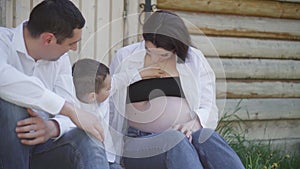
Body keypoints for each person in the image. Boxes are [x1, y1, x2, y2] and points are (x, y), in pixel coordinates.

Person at [109, 10, 245, 169]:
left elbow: (209, 107)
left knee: (207, 137)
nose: (155, 60)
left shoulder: (194, 59)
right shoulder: (125, 57)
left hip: (186, 136)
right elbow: (110, 105)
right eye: (148, 51)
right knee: (175, 140)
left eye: (163, 55)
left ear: (176, 49)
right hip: (138, 143)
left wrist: (194, 123)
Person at [0, 0, 108, 168]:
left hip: (42, 150)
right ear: (48, 39)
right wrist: (69, 110)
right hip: (5, 148)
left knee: (88, 140)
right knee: (12, 106)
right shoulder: (2, 40)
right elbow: (3, 78)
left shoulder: (60, 59)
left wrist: (53, 127)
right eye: (71, 43)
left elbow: (70, 110)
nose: (73, 49)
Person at [72, 58, 123, 169]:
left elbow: (120, 80)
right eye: (108, 89)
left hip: (109, 158)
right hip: (89, 159)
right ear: (92, 96)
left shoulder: (101, 92)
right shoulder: (75, 108)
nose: (111, 89)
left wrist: (140, 74)